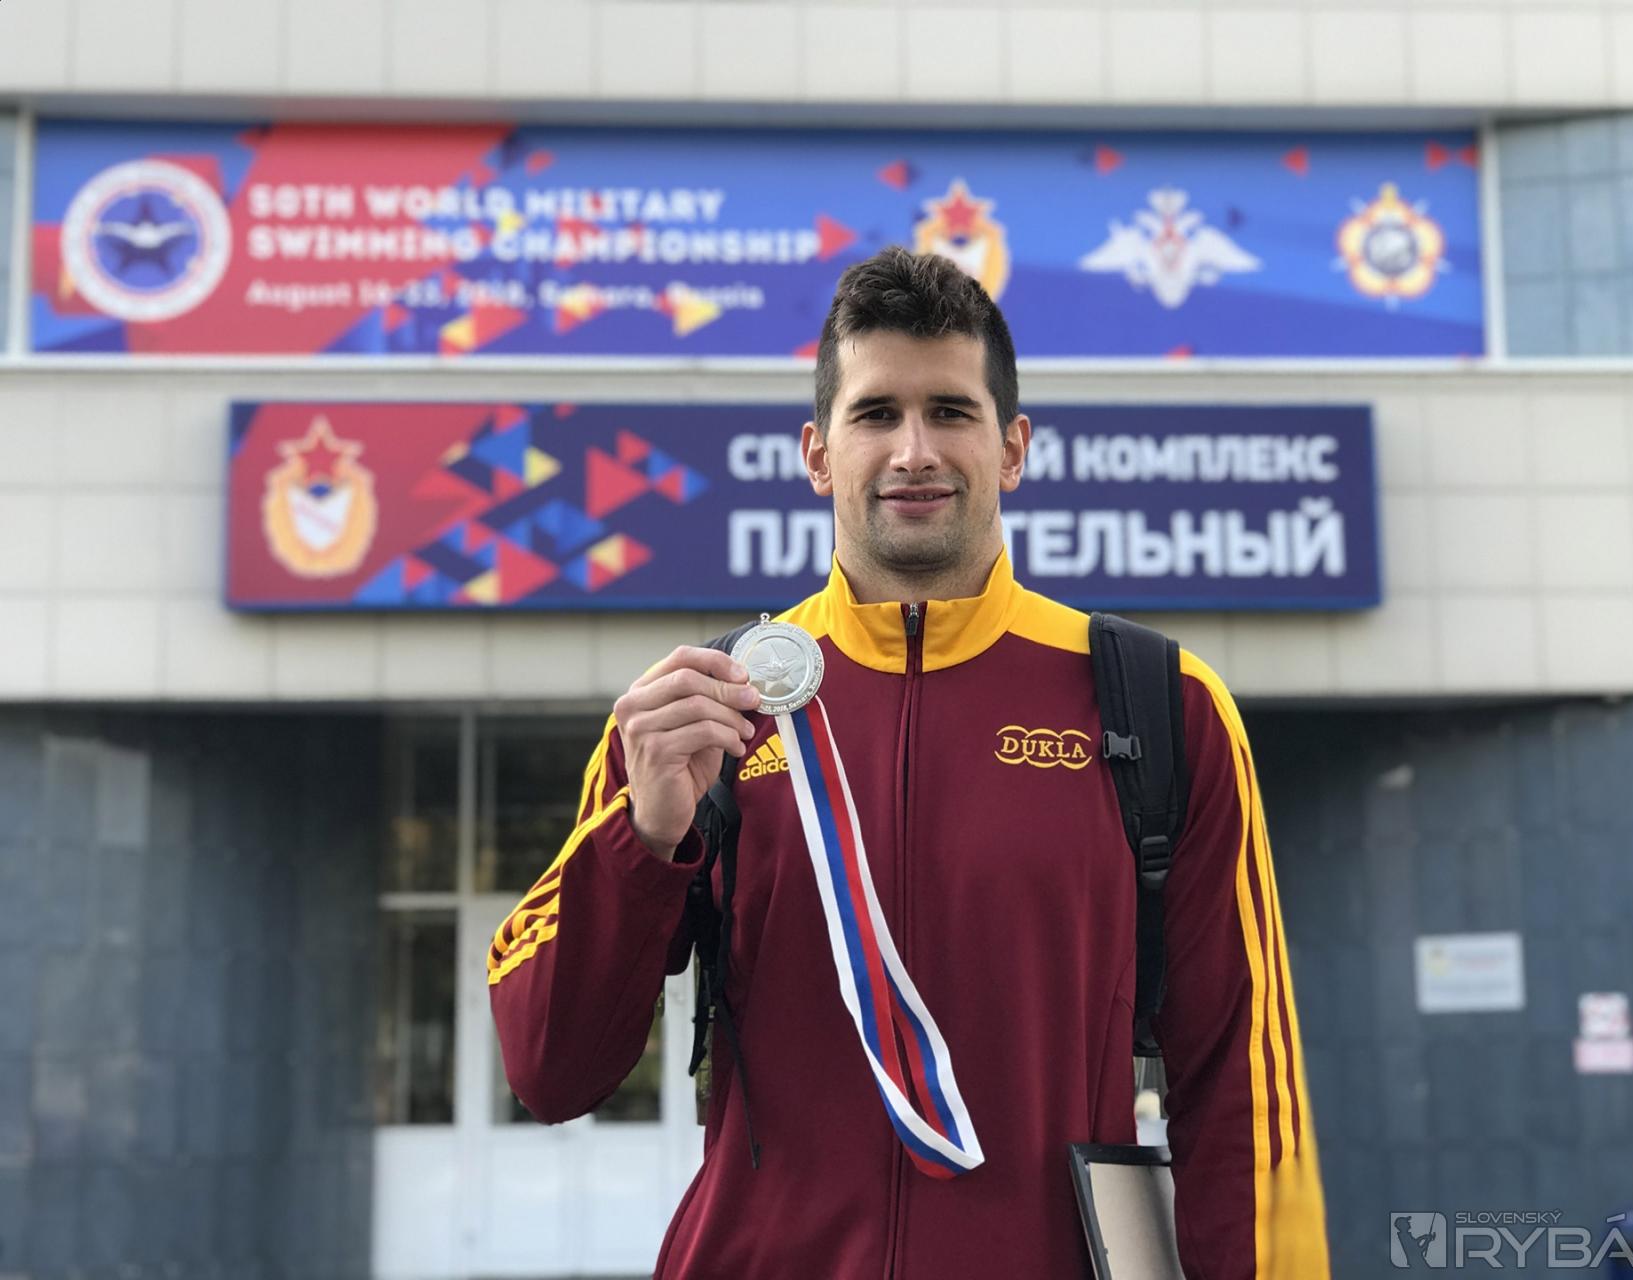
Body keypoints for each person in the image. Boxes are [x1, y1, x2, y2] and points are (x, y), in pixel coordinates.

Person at [488, 247, 1331, 1278]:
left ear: (1012, 447)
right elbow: (550, 1070)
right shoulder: (701, 711)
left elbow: (1244, 1088)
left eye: (951, 411)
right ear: (817, 453)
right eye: (876, 413)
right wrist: (644, 839)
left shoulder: (1161, 706)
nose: (914, 450)